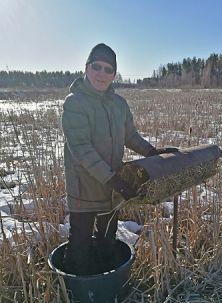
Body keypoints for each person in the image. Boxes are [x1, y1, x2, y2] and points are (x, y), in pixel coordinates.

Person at [62, 43, 177, 275]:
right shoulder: (75, 103)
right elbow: (82, 150)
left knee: (107, 238)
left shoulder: (119, 104)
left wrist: (152, 153)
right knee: (80, 241)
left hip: (112, 187)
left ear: (114, 74)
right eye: (97, 66)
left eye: (108, 69)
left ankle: (105, 282)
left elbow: (130, 136)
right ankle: (80, 292)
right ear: (86, 68)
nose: (102, 74)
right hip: (84, 188)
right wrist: (113, 180)